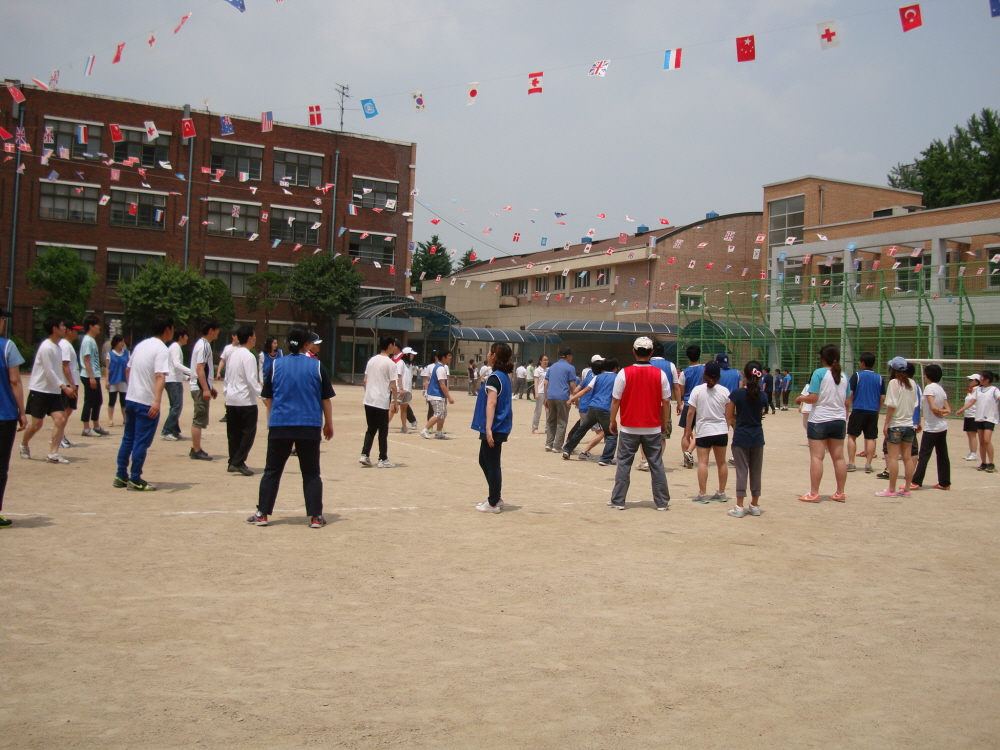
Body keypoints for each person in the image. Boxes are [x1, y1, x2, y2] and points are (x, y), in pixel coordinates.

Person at [247, 327, 335, 529]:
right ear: (306, 344)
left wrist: (273, 419)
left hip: (281, 424)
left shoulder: (276, 365)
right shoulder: (316, 366)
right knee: (311, 473)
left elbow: (268, 398)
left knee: (272, 471)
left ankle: (262, 514)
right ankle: (316, 517)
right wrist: (328, 424)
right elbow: (325, 399)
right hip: (309, 424)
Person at [607, 337, 670, 511]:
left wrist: (612, 420)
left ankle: (618, 500)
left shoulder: (624, 373)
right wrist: (664, 421)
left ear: (633, 351)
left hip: (629, 426)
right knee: (656, 464)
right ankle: (662, 502)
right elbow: (666, 401)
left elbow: (616, 400)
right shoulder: (660, 374)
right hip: (652, 426)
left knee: (624, 464)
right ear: (651, 352)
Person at [115, 314, 173, 491]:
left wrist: (133, 388)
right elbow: (160, 376)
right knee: (141, 441)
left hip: (131, 398)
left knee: (128, 438)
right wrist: (156, 401)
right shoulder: (162, 349)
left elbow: (128, 370)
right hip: (145, 401)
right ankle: (135, 478)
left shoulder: (141, 345)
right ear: (167, 330)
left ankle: (121, 475)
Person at [796, 344, 850, 503]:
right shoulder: (843, 375)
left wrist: (801, 398)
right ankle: (840, 492)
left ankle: (814, 493)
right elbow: (847, 401)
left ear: (822, 358)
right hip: (838, 418)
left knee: (817, 457)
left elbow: (813, 398)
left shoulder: (819, 373)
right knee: (839, 458)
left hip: (820, 419)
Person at [21, 316, 74, 463]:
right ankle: (23, 444)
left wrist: (63, 386)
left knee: (61, 419)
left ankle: (53, 453)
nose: (64, 328)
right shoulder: (46, 347)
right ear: (54, 329)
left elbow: (57, 371)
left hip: (54, 391)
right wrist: (64, 387)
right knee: (36, 425)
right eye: (62, 326)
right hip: (40, 391)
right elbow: (48, 372)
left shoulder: (58, 347)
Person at [473, 342, 514, 513]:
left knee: (492, 464)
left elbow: (492, 403)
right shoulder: (503, 376)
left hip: (495, 426)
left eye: (490, 352)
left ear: (494, 356)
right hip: (498, 425)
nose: (488, 354)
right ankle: (496, 496)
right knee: (484, 460)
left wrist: (488, 428)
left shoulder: (495, 377)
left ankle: (493, 502)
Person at [685, 360, 731, 504]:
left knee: (703, 463)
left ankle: (703, 493)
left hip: (704, 430)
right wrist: (726, 427)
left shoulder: (697, 390)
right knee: (721, 463)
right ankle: (721, 492)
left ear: (704, 374)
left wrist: (688, 429)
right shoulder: (725, 391)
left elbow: (691, 412)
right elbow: (728, 413)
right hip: (721, 430)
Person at [726, 361, 767, 517]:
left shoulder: (737, 394)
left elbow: (729, 416)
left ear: (744, 375)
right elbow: (762, 413)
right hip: (757, 436)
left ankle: (739, 506)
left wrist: (740, 418)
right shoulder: (763, 395)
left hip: (741, 435)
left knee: (741, 471)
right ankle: (754, 505)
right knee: (756, 471)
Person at [875, 357, 919, 497]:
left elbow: (892, 405)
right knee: (907, 457)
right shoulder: (912, 383)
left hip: (896, 424)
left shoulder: (894, 383)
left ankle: (892, 489)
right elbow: (915, 404)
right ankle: (907, 489)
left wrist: (886, 423)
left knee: (893, 458)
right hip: (909, 424)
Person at [0, 306, 27, 527]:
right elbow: (15, 381)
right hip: (4, 414)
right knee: (0, 466)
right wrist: (22, 411)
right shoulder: (7, 346)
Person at [224, 325, 262, 476]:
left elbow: (227, 377)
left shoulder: (232, 354)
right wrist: (263, 396)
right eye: (254, 336)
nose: (256, 338)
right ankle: (238, 461)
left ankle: (232, 460)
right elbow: (252, 380)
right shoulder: (249, 356)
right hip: (245, 401)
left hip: (232, 399)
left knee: (234, 433)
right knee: (248, 433)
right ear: (250, 338)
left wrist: (226, 393)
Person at [361, 334, 399, 467]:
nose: (394, 347)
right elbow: (393, 385)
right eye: (394, 345)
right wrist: (395, 402)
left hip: (369, 400)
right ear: (390, 345)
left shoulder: (371, 360)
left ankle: (364, 454)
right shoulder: (390, 363)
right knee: (383, 430)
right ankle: (383, 458)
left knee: (371, 428)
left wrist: (369, 393)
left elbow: (365, 380)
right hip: (381, 401)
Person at [910, 363, 950, 490]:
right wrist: (942, 413)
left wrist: (938, 412)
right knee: (942, 455)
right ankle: (945, 482)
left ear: (928, 375)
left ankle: (916, 481)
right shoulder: (940, 388)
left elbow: (933, 408)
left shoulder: (929, 388)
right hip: (942, 426)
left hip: (932, 428)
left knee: (924, 455)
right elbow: (948, 409)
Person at [562, 359, 610, 458]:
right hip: (592, 407)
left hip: (582, 407)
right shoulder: (600, 379)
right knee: (601, 433)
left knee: (581, 430)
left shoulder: (587, 377)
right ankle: (584, 452)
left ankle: (567, 448)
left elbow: (576, 390)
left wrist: (575, 401)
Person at [846, 352, 884, 473]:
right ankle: (868, 464)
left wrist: (849, 403)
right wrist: (878, 410)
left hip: (858, 409)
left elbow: (851, 393)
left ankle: (851, 463)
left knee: (852, 436)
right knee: (871, 438)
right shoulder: (879, 378)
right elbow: (882, 397)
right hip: (872, 411)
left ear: (862, 363)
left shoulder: (857, 375)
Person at [188, 320, 220, 461]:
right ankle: (196, 450)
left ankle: (196, 447)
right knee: (199, 419)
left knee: (200, 418)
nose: (218, 332)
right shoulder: (204, 345)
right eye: (217, 329)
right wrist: (205, 389)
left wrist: (210, 388)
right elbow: (200, 368)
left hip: (200, 386)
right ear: (211, 330)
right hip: (199, 387)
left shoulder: (202, 344)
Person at [958, 370, 999, 473]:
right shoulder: (978, 390)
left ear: (987, 380)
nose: (980, 379)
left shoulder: (994, 389)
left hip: (989, 418)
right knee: (981, 442)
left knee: (987, 440)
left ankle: (991, 463)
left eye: (982, 377)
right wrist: (962, 409)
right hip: (979, 418)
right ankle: (983, 462)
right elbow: (972, 401)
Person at [79, 315, 108, 437]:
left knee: (98, 401)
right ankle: (86, 428)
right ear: (91, 326)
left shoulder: (92, 340)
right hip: (88, 375)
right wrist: (91, 377)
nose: (99, 327)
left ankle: (96, 425)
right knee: (89, 401)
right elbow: (86, 360)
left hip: (94, 374)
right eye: (97, 325)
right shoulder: (87, 341)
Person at [161, 327, 191, 441]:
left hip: (173, 379)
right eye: (186, 335)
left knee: (175, 406)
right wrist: (192, 372)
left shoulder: (175, 347)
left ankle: (174, 431)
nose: (187, 338)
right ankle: (166, 431)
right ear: (181, 337)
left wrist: (186, 377)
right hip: (173, 381)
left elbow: (174, 368)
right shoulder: (175, 347)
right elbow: (177, 365)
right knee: (176, 407)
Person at [676, 345, 703, 469]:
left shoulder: (684, 373)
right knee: (701, 432)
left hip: (688, 403)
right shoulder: (705, 369)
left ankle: (686, 458)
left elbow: (682, 391)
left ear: (687, 357)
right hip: (703, 403)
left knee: (686, 433)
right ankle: (691, 452)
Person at [544, 347, 577, 452]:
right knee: (562, 422)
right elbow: (572, 385)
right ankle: (557, 446)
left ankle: (549, 444)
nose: (571, 358)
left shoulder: (552, 367)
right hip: (562, 397)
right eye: (571, 356)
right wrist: (576, 398)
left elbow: (546, 383)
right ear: (568, 356)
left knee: (551, 420)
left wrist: (546, 398)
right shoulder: (570, 368)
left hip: (551, 396)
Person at [58, 323, 82, 449]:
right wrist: (71, 383)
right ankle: (58, 437)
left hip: (71, 382)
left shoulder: (68, 345)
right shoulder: (65, 345)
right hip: (68, 383)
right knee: (65, 412)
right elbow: (65, 365)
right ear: (68, 331)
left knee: (68, 410)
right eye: (75, 330)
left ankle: (60, 436)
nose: (77, 333)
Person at [421, 350, 453, 439]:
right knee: (438, 414)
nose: (450, 357)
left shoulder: (441, 367)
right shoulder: (440, 368)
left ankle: (439, 433)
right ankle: (425, 430)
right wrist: (449, 397)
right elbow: (442, 384)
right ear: (443, 357)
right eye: (449, 356)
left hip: (439, 395)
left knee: (443, 414)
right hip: (436, 395)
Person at [105, 335, 129, 427]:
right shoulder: (110, 354)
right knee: (112, 400)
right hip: (113, 380)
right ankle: (110, 419)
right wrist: (106, 381)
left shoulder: (127, 353)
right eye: (121, 342)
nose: (123, 343)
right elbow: (107, 369)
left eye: (123, 341)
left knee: (123, 401)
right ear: (116, 342)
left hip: (123, 380)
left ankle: (125, 419)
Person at [395, 345, 419, 433]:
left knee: (404, 409)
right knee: (393, 408)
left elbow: (409, 379)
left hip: (407, 390)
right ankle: (383, 426)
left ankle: (404, 427)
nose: (413, 356)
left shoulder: (410, 365)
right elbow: (399, 376)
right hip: (400, 389)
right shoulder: (401, 363)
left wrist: (410, 392)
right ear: (406, 354)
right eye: (411, 354)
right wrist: (401, 388)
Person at [960, 375, 981, 461]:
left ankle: (974, 453)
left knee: (972, 434)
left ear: (977, 381)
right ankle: (971, 451)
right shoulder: (971, 391)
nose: (970, 381)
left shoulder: (978, 390)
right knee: (969, 433)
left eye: (972, 380)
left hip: (974, 415)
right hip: (968, 414)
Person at [531, 355, 548, 432]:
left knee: (548, 411)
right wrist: (536, 393)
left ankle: (547, 428)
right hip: (540, 392)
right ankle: (535, 428)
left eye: (547, 360)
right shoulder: (537, 370)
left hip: (547, 393)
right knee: (538, 411)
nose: (546, 361)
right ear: (540, 361)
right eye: (544, 360)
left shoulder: (548, 370)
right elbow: (536, 382)